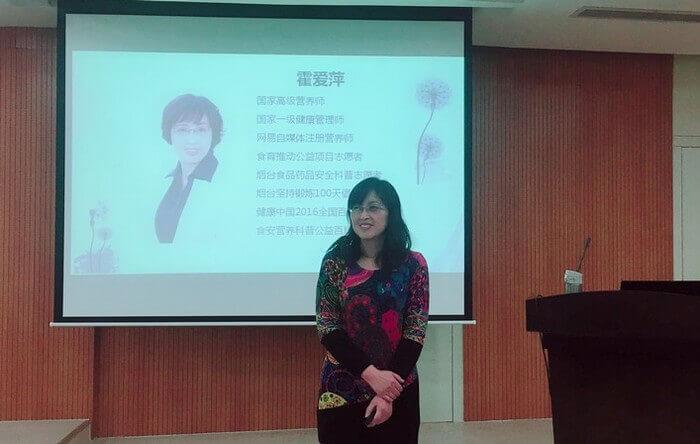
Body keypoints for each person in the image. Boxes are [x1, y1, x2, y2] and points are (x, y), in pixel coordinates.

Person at [315, 177, 429, 444]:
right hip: (341, 390)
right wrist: (372, 375)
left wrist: (387, 393)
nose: (363, 215)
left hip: (398, 387)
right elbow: (328, 326)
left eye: (373, 207)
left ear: (391, 213)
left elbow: (415, 331)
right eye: (356, 208)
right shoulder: (335, 261)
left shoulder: (413, 265)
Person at [155, 94, 224, 243]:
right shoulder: (163, 182)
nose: (192, 139)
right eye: (182, 130)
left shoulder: (226, 183)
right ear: (169, 133)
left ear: (213, 133)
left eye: (201, 129)